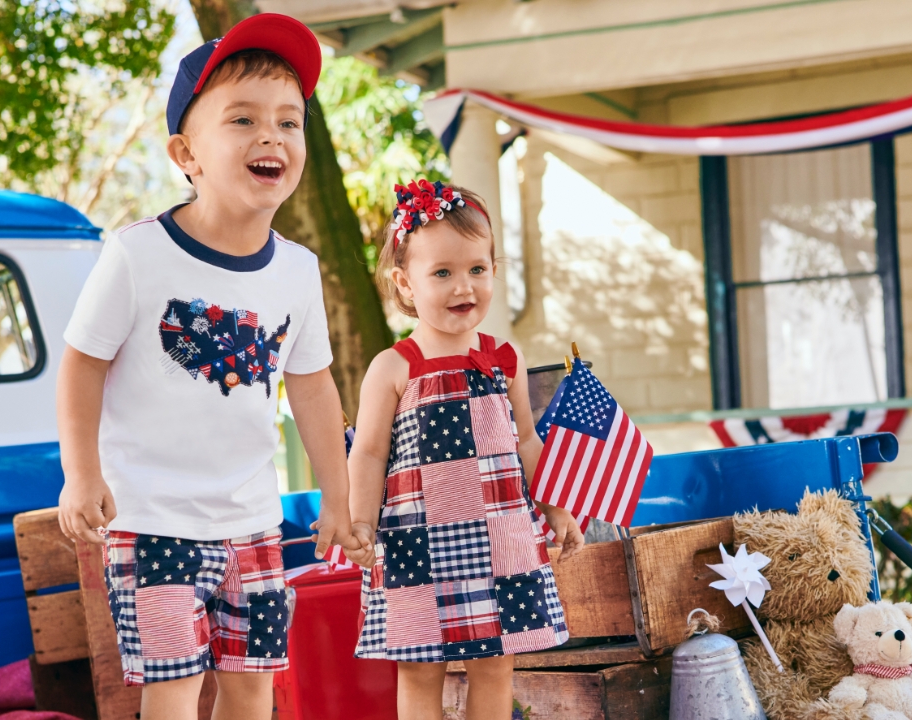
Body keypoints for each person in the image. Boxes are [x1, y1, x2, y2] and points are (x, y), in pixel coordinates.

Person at [55, 15, 361, 720]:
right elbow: (81, 366)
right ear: (186, 153)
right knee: (174, 689)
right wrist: (82, 473)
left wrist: (338, 496)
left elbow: (312, 387)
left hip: (253, 523)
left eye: (289, 122)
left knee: (253, 689)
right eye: (243, 119)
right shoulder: (138, 254)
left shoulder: (298, 270)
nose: (270, 136)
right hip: (152, 522)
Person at [343, 180, 586, 720]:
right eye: (442, 273)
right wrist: (360, 521)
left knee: (496, 664)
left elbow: (527, 440)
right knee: (419, 668)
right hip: (416, 544)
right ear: (405, 283)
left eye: (477, 269)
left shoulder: (505, 358)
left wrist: (555, 506)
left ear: (494, 270)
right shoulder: (394, 366)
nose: (463, 286)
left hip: (501, 539)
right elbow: (368, 454)